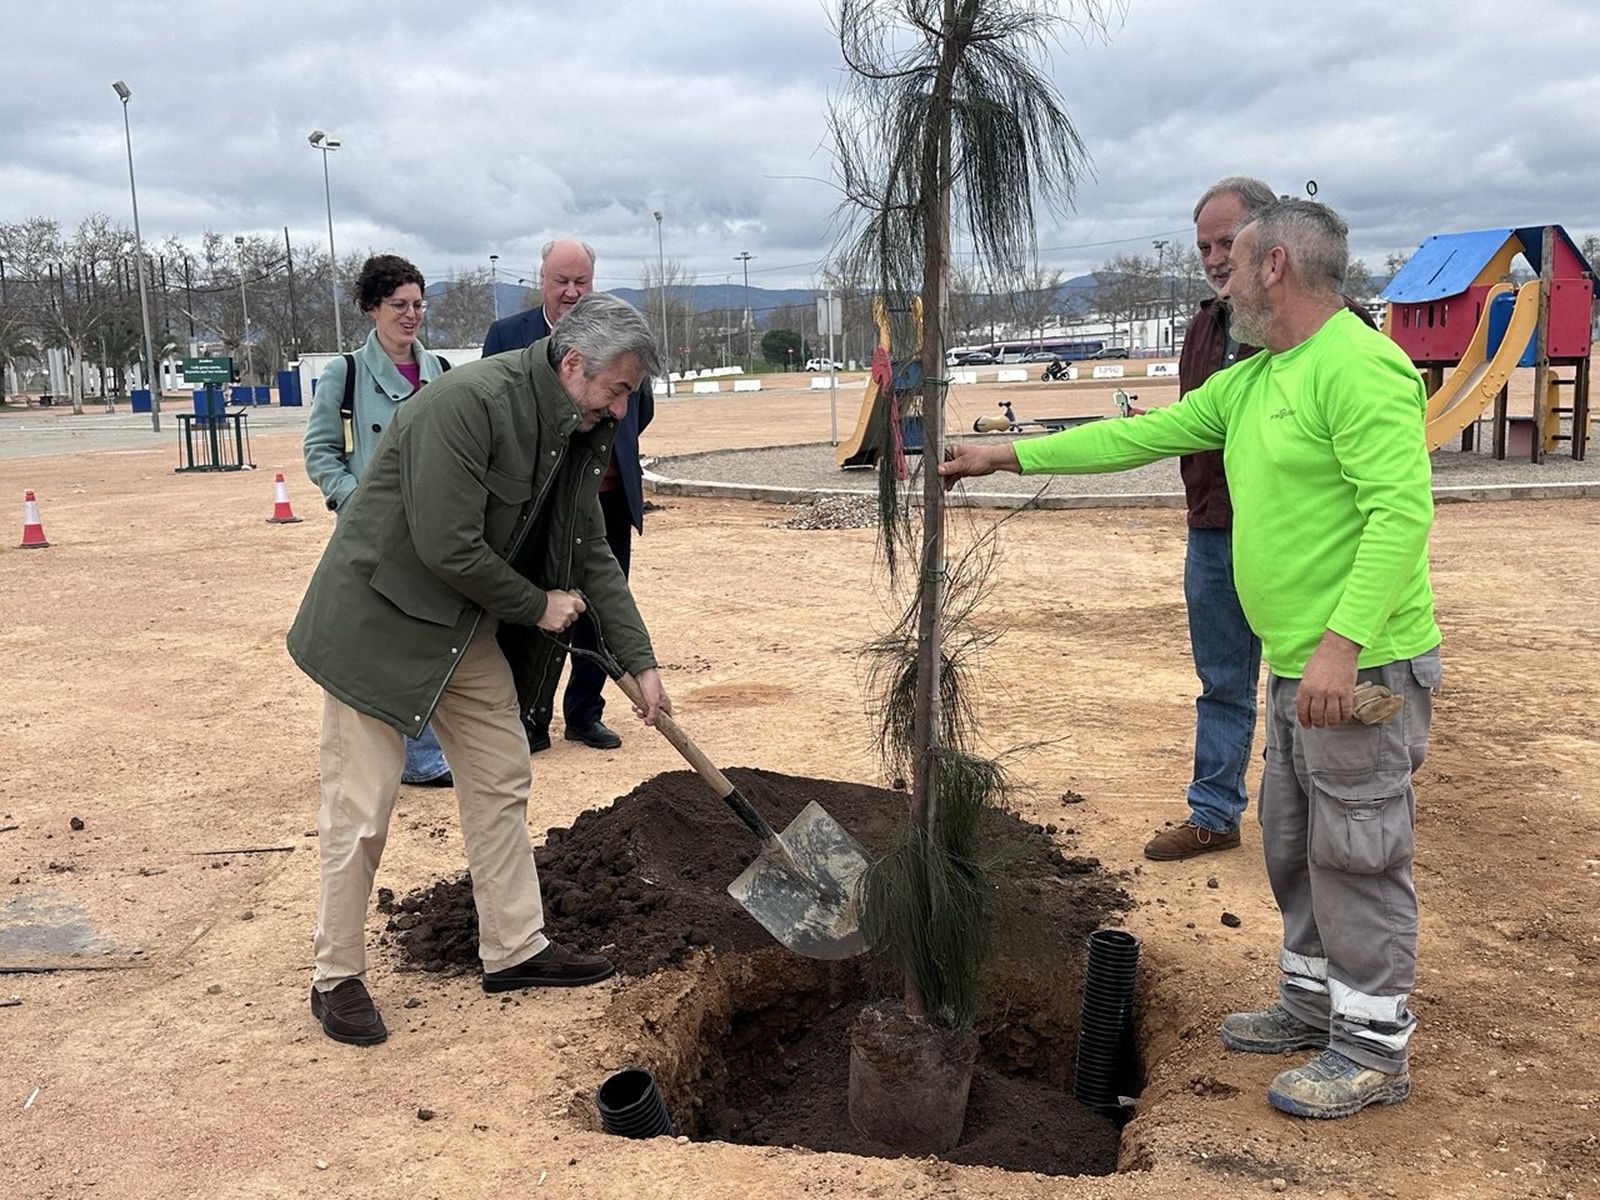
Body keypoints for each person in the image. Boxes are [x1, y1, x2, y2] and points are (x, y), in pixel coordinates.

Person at [940, 199, 1440, 1119]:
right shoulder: (1256, 377)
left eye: (1235, 262)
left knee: (1357, 852)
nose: (1222, 280)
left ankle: (1373, 1049)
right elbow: (1136, 436)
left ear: (1277, 266)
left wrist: (1342, 646)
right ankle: (1309, 1001)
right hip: (1299, 665)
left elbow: (1400, 515)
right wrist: (1001, 454)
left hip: (1358, 668)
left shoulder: (1359, 368)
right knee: (1293, 842)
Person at [288, 292, 672, 1046]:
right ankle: (335, 977)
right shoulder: (469, 404)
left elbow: (590, 551)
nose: (623, 410)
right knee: (361, 809)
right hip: (382, 623)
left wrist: (641, 663)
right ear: (572, 364)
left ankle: (515, 948)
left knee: (500, 776)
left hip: (463, 628)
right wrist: (538, 607)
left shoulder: (576, 425)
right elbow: (448, 546)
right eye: (619, 388)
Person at [1140, 177, 1277, 862]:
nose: (1216, 257)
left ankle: (1308, 819)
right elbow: (1185, 428)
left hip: (1287, 537)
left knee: (1303, 682)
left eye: (1228, 241)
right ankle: (1215, 814)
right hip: (1212, 532)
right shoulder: (1202, 326)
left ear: (1270, 242)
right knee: (1222, 680)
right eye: (1204, 246)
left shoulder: (1318, 328)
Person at [482, 239, 654, 753]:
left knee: (597, 607)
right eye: (562, 281)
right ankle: (530, 718)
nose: (572, 291)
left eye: (582, 281)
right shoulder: (508, 338)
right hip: (538, 503)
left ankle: (585, 712)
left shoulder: (622, 336)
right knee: (540, 607)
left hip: (606, 499)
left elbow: (637, 411)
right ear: (541, 280)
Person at [303, 254, 454, 790]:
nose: (410, 315)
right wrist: (353, 501)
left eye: (417, 304)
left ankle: (428, 750)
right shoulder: (343, 375)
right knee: (388, 640)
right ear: (372, 308)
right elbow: (319, 452)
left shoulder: (440, 371)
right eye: (398, 305)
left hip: (436, 528)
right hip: (374, 533)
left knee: (433, 635)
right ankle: (416, 756)